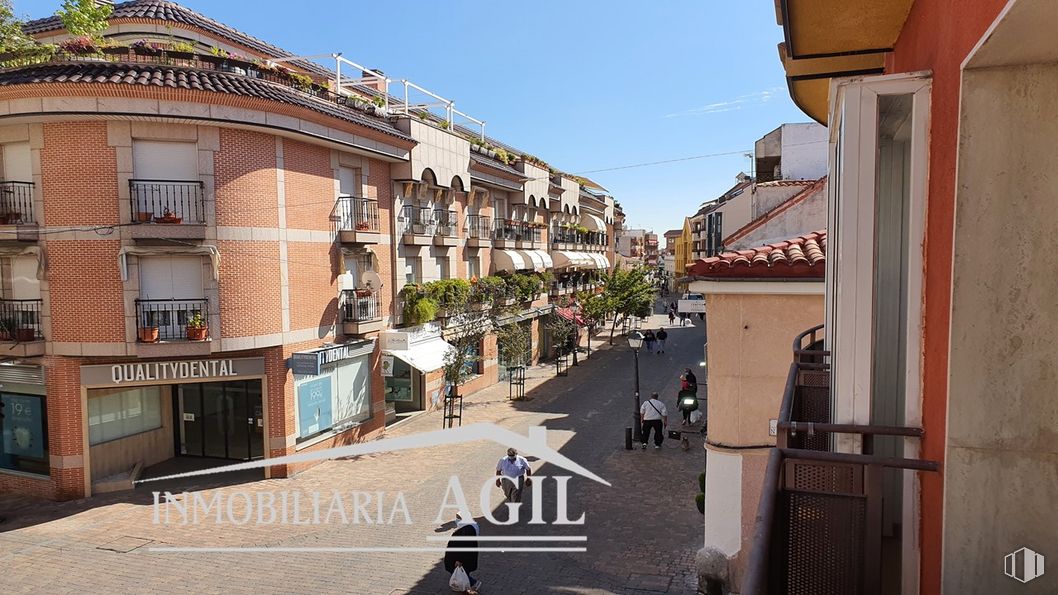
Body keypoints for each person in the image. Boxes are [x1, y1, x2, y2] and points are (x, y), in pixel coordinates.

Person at [444, 513, 482, 592]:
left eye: (458, 518)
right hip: (464, 558)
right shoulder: (469, 527)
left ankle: (472, 584)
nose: (457, 520)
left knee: (461, 572)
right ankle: (468, 586)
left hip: (459, 559)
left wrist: (459, 560)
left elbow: (463, 547)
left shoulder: (466, 531)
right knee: (462, 572)